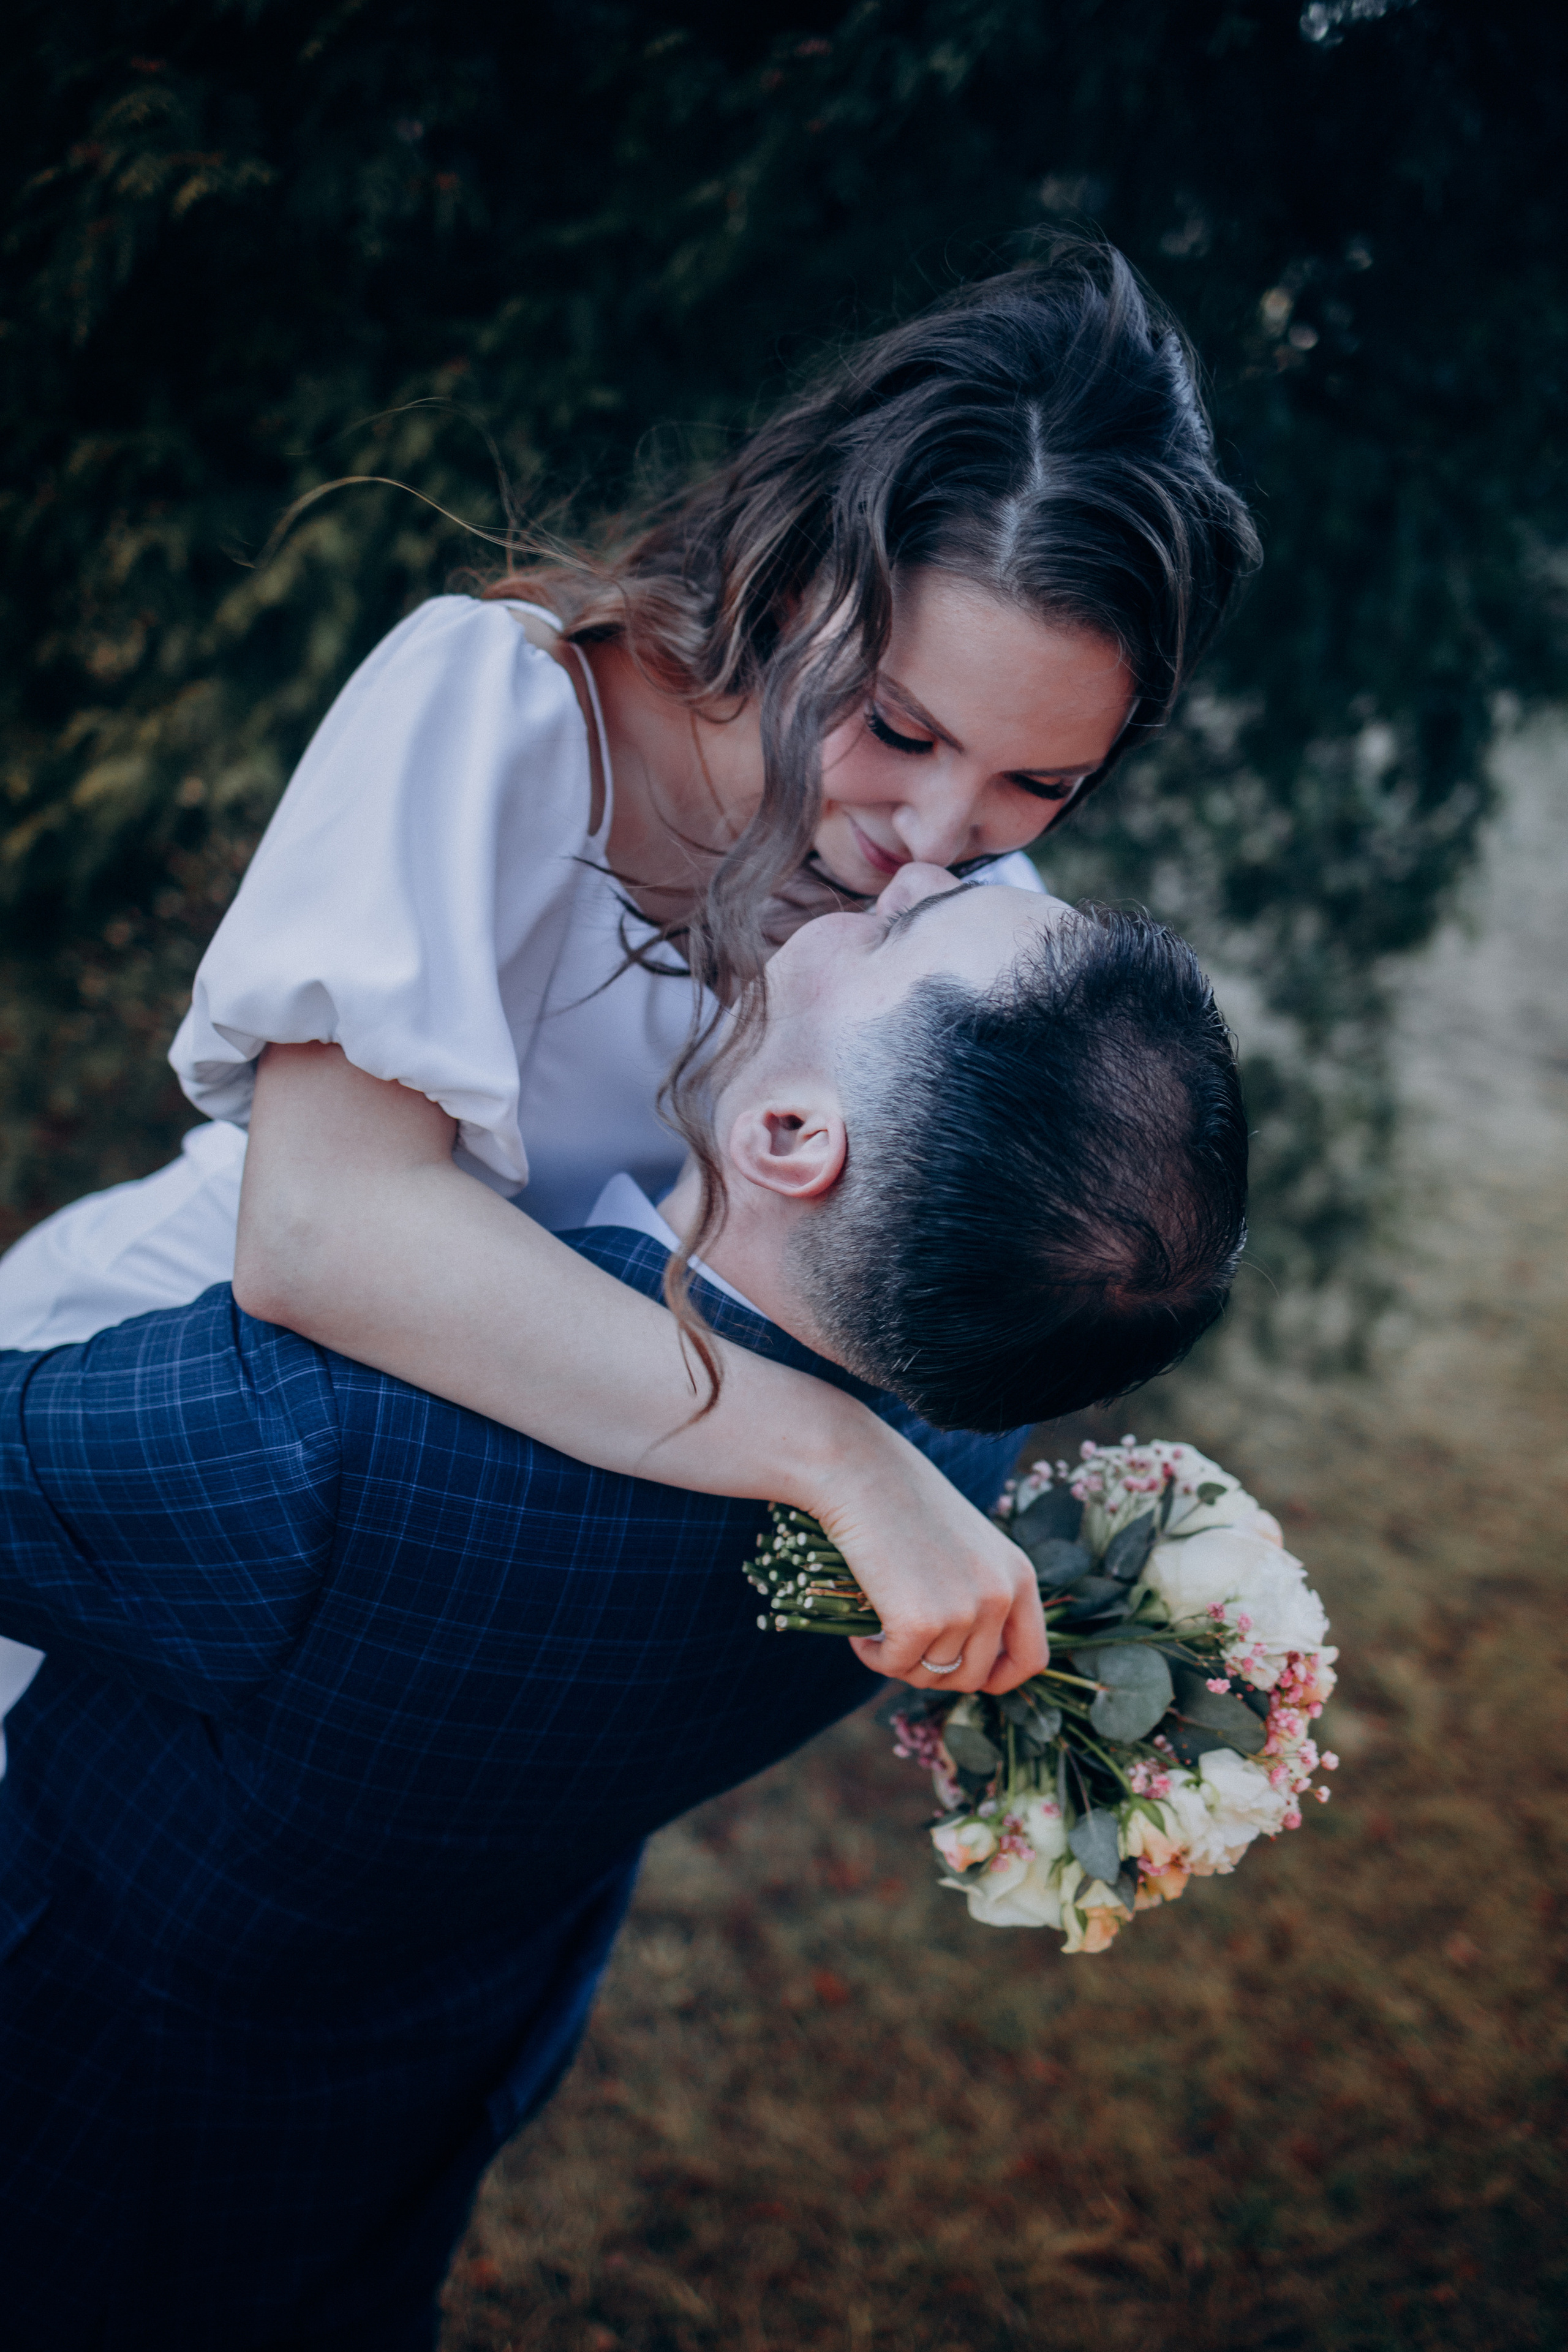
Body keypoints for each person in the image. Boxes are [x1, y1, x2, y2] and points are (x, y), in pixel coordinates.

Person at [0, 244, 1260, 1745]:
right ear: (792, 581)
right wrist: (840, 1461)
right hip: (179, 1418)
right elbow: (319, 1234)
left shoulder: (971, 935)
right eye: (899, 728)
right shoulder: (502, 712)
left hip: (477, 1577)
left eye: (1035, 783)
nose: (934, 844)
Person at [0, 868, 1247, 2351]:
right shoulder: (956, 1462)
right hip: (406, 2079)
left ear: (791, 1138)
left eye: (902, 929)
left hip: (78, 2075)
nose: (904, 871)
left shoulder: (344, 1435)